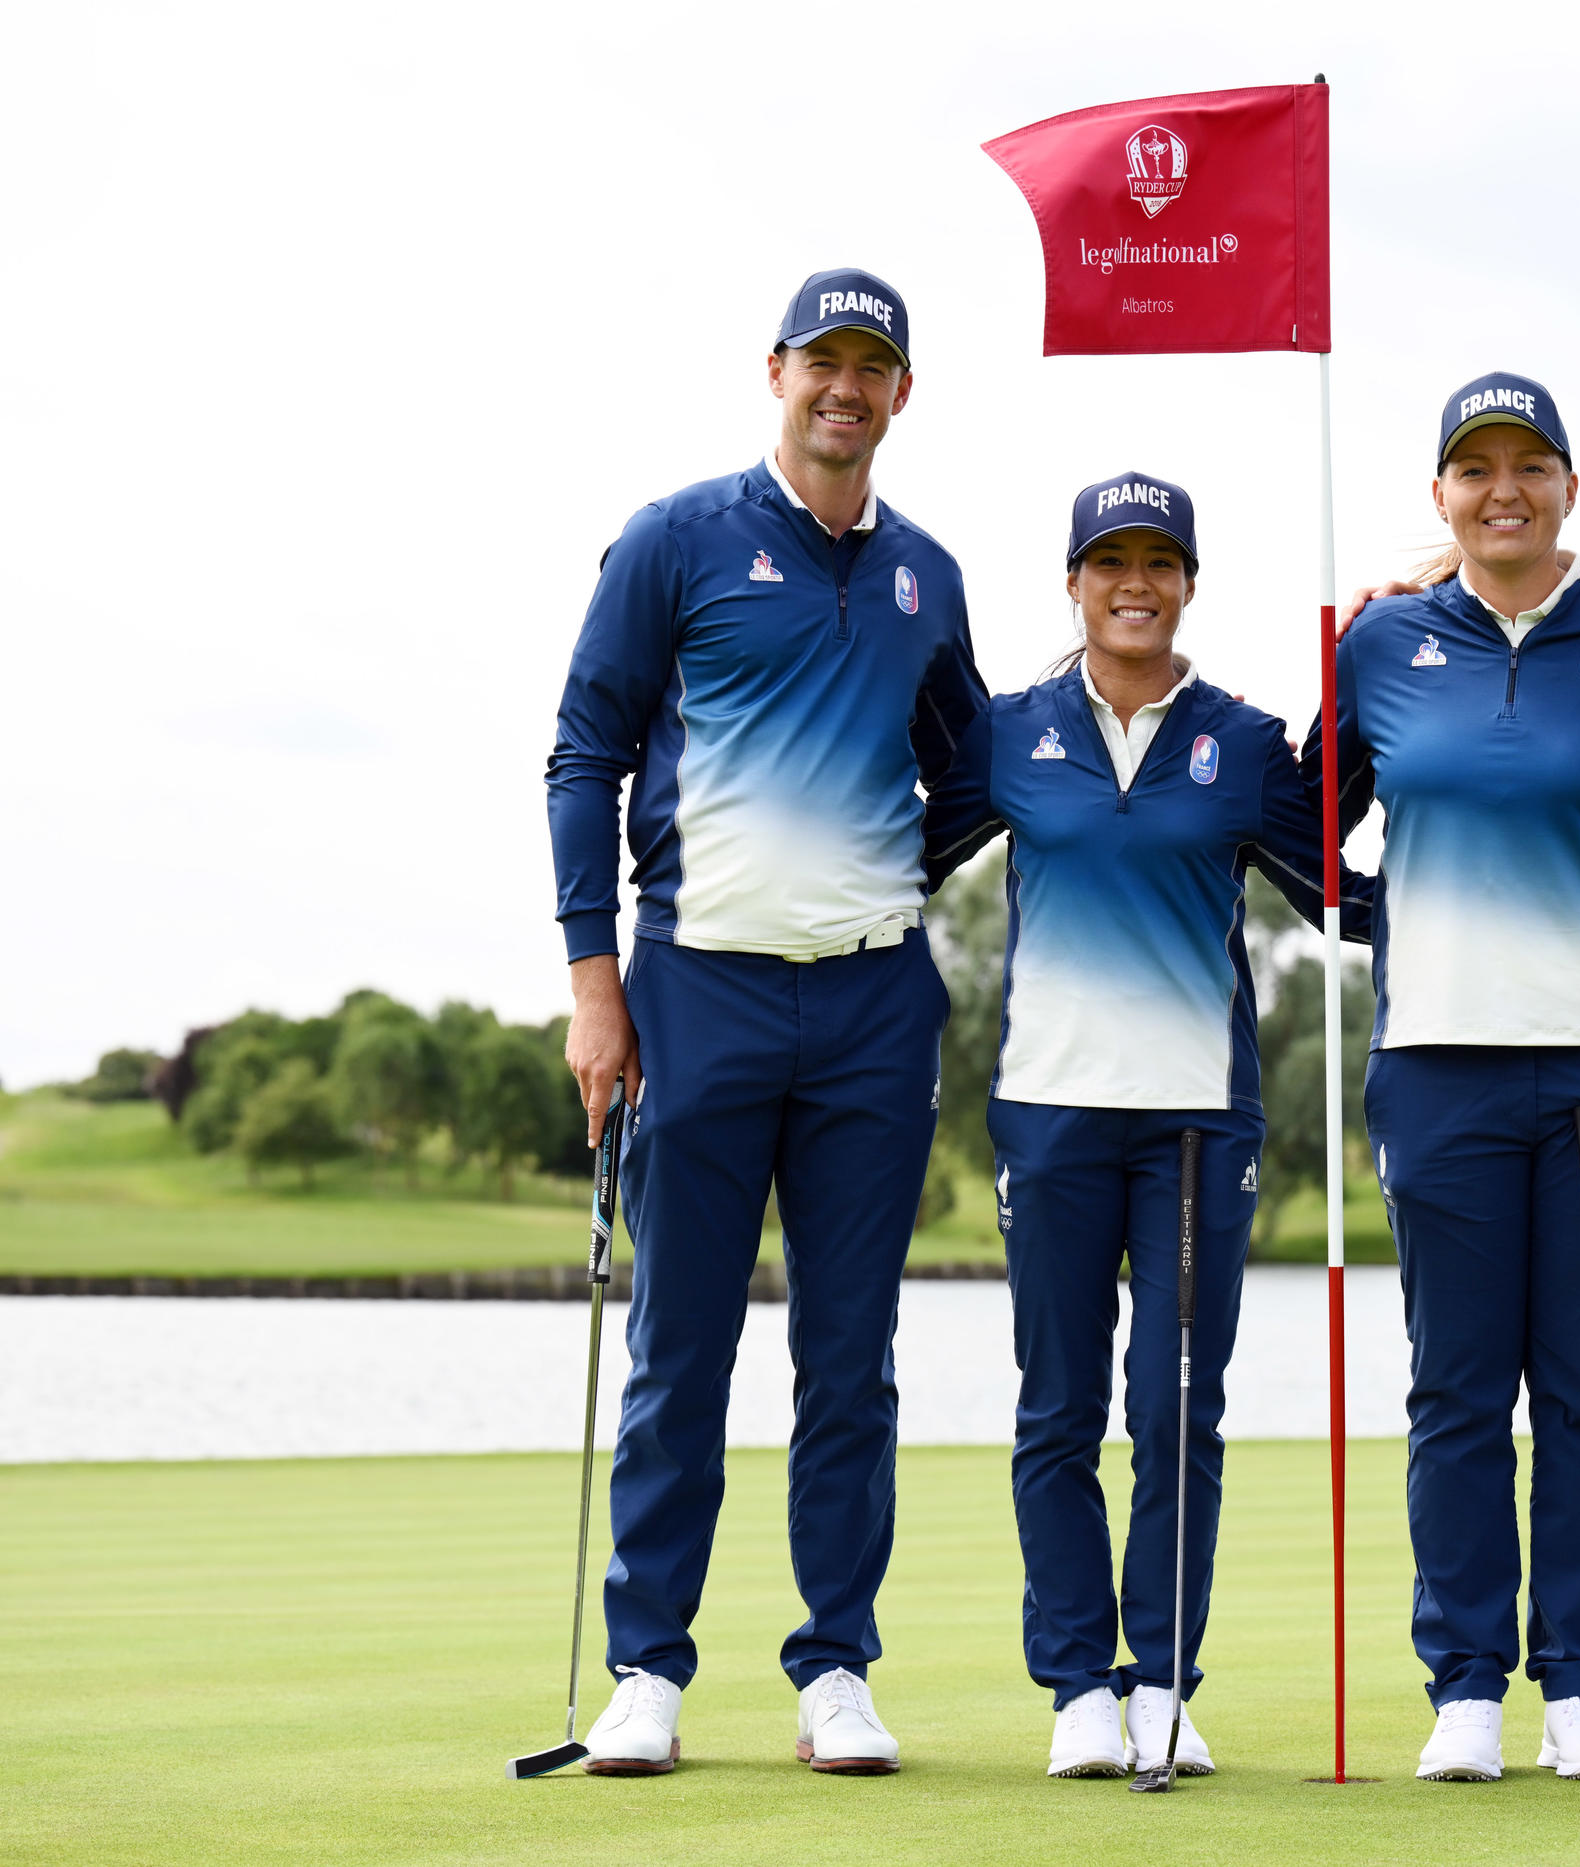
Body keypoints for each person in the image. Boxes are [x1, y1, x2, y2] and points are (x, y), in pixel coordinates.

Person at [544, 269, 985, 1777]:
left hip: (872, 1003)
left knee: (850, 1361)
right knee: (682, 1352)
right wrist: (592, 981)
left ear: (902, 392)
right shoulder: (677, 539)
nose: (845, 388)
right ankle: (648, 1669)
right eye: (823, 361)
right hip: (698, 988)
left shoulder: (928, 574)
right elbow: (583, 753)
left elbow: (974, 774)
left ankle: (835, 1667)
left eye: (874, 365)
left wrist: (874, 870)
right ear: (777, 371)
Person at [922, 473, 1364, 1782]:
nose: (1133, 581)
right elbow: (897, 862)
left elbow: (1338, 888)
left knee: (1177, 1410)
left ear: (1187, 584)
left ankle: (1163, 1682)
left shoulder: (1241, 739)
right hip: (1052, 1114)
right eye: (1108, 559)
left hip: (1193, 1126)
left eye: (1158, 560)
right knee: (1057, 1410)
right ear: (1072, 581)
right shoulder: (1013, 735)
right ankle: (1076, 1688)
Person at [1316, 374, 1580, 1783]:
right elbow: (1299, 830)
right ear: (1439, 495)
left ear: (1568, 485)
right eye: (1475, 468)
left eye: (1530, 466)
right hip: (1438, 1066)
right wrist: (1402, 916)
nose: (1504, 490)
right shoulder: (1379, 644)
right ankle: (1467, 1688)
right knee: (1457, 1387)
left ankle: (1579, 1688)